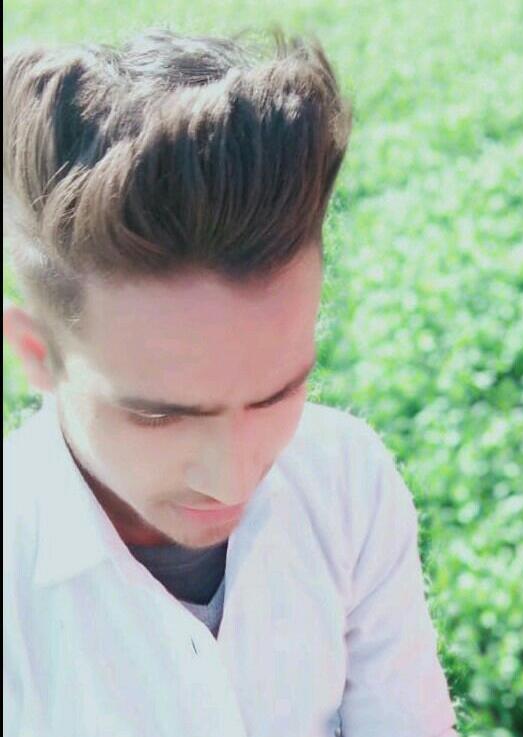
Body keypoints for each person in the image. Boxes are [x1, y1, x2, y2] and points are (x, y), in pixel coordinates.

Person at [3, 29, 458, 737]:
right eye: (161, 416)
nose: (233, 477)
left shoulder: (345, 479)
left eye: (278, 394)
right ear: (38, 354)